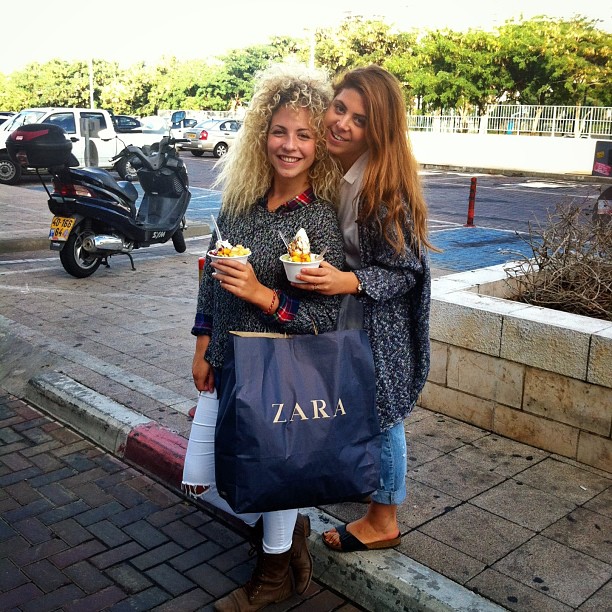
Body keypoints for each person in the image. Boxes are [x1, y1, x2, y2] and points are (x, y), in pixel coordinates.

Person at [182, 62, 345, 611]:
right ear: (261, 135)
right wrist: (202, 345)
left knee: (272, 472)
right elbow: (210, 280)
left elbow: (323, 320)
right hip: (227, 360)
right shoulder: (238, 204)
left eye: (304, 134)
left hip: (281, 373)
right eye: (279, 131)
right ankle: (291, 531)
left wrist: (261, 294)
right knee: (207, 476)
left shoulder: (320, 221)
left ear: (319, 145)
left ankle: (273, 572)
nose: (289, 145)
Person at [295, 65, 434, 553]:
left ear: (378, 131)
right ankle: (362, 484)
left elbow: (406, 270)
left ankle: (384, 517)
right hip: (350, 312)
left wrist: (347, 280)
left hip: (381, 321)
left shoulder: (382, 187)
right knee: (357, 407)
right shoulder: (339, 169)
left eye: (359, 119)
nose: (342, 123)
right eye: (340, 108)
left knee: (383, 414)